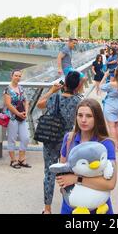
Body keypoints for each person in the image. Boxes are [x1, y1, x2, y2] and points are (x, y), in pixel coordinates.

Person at [57, 98, 117, 214]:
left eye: (89, 116)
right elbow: (62, 172)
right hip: (71, 208)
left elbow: (110, 183)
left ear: (97, 118)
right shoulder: (69, 139)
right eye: (80, 115)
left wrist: (76, 179)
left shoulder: (106, 144)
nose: (83, 120)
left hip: (98, 208)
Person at [36, 71, 82, 214]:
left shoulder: (54, 98)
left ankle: (47, 209)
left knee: (49, 173)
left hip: (50, 138)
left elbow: (39, 104)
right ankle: (69, 205)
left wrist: (52, 90)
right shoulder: (78, 101)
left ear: (65, 84)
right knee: (68, 172)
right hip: (68, 141)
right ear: (78, 86)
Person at [3, 69, 31, 170]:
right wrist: (18, 113)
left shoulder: (21, 88)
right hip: (12, 117)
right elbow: (8, 104)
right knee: (12, 138)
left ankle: (21, 159)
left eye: (19, 76)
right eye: (16, 75)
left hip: (22, 116)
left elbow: (26, 101)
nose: (18, 78)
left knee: (25, 137)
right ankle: (13, 160)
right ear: (12, 76)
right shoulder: (7, 89)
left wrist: (26, 113)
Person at [100, 68, 118, 150]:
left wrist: (105, 76)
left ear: (116, 73)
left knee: (112, 126)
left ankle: (115, 146)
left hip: (110, 105)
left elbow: (101, 86)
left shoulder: (111, 84)